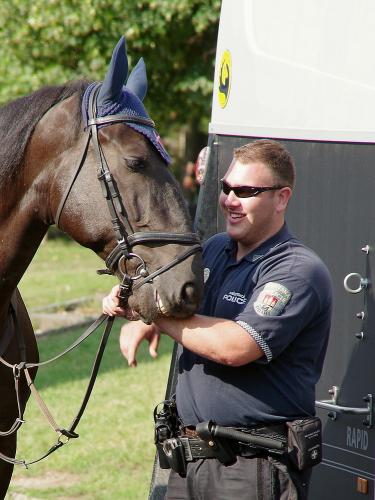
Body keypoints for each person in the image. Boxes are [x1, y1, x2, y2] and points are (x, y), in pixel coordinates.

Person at [103, 140, 333, 500]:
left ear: (282, 198)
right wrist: (138, 312)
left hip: (252, 468)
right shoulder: (212, 249)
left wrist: (152, 315)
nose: (229, 200)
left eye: (245, 191)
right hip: (189, 459)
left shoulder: (297, 270)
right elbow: (179, 308)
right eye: (227, 188)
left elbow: (236, 346)